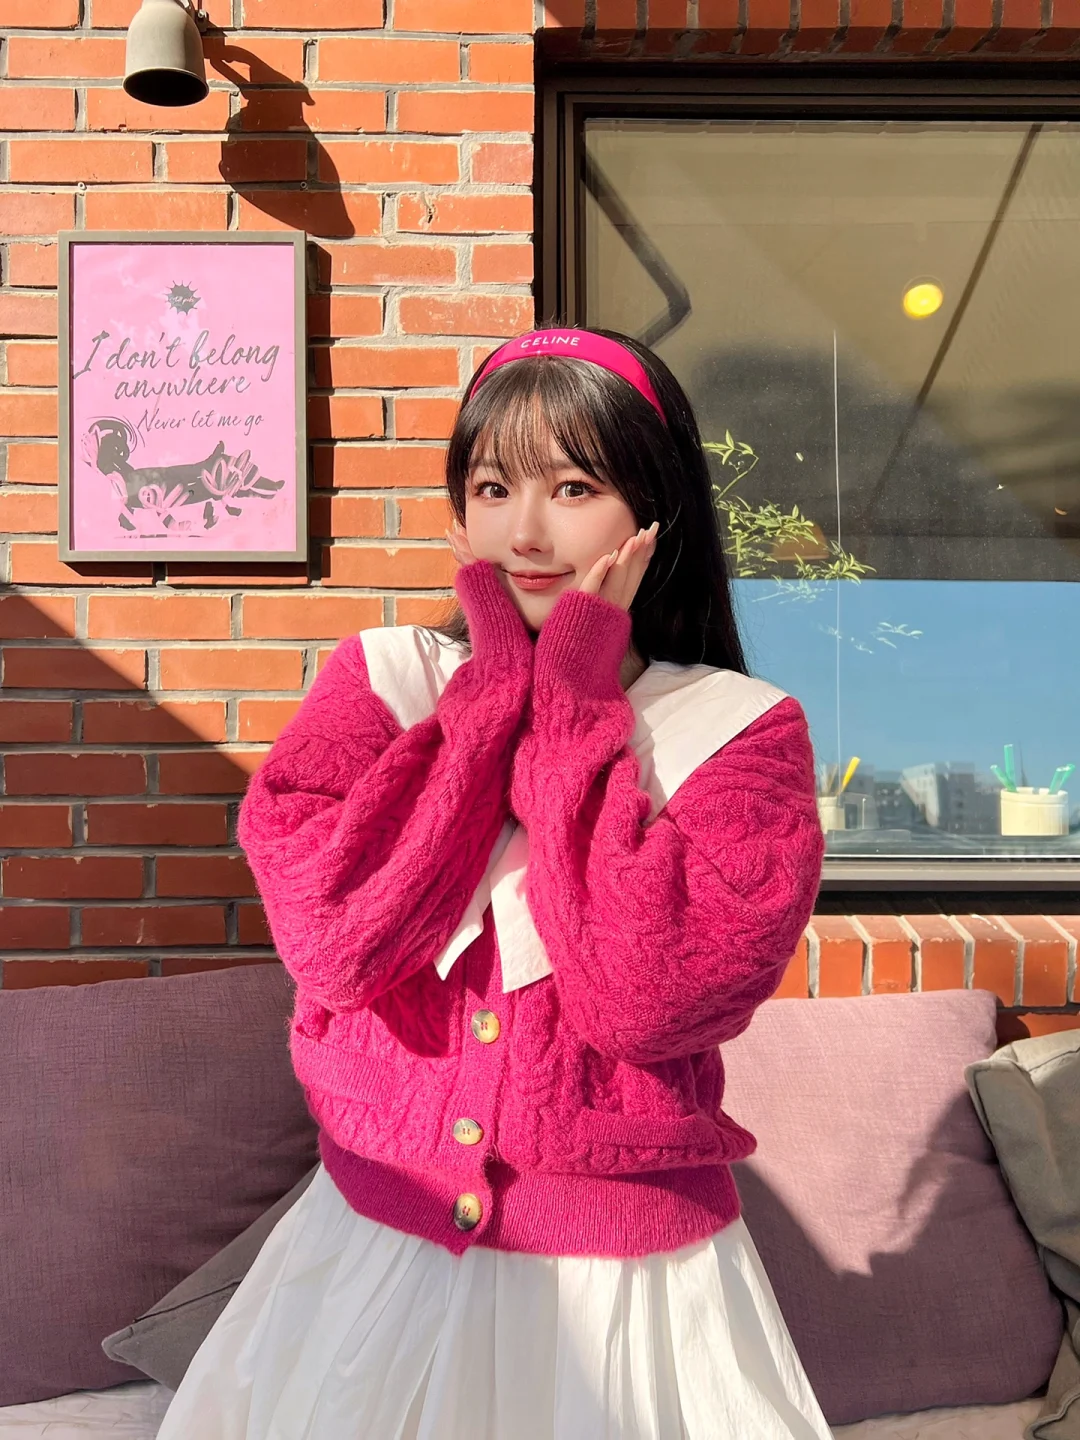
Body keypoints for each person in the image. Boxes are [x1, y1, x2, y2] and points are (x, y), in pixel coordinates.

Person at [155, 326, 831, 1439]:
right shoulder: (383, 682)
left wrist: (571, 701)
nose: (525, 532)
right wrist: (488, 699)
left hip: (627, 1290)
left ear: (654, 509)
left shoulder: (736, 733)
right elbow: (335, 945)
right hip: (370, 1252)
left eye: (574, 488)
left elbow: (648, 1000)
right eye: (492, 487)